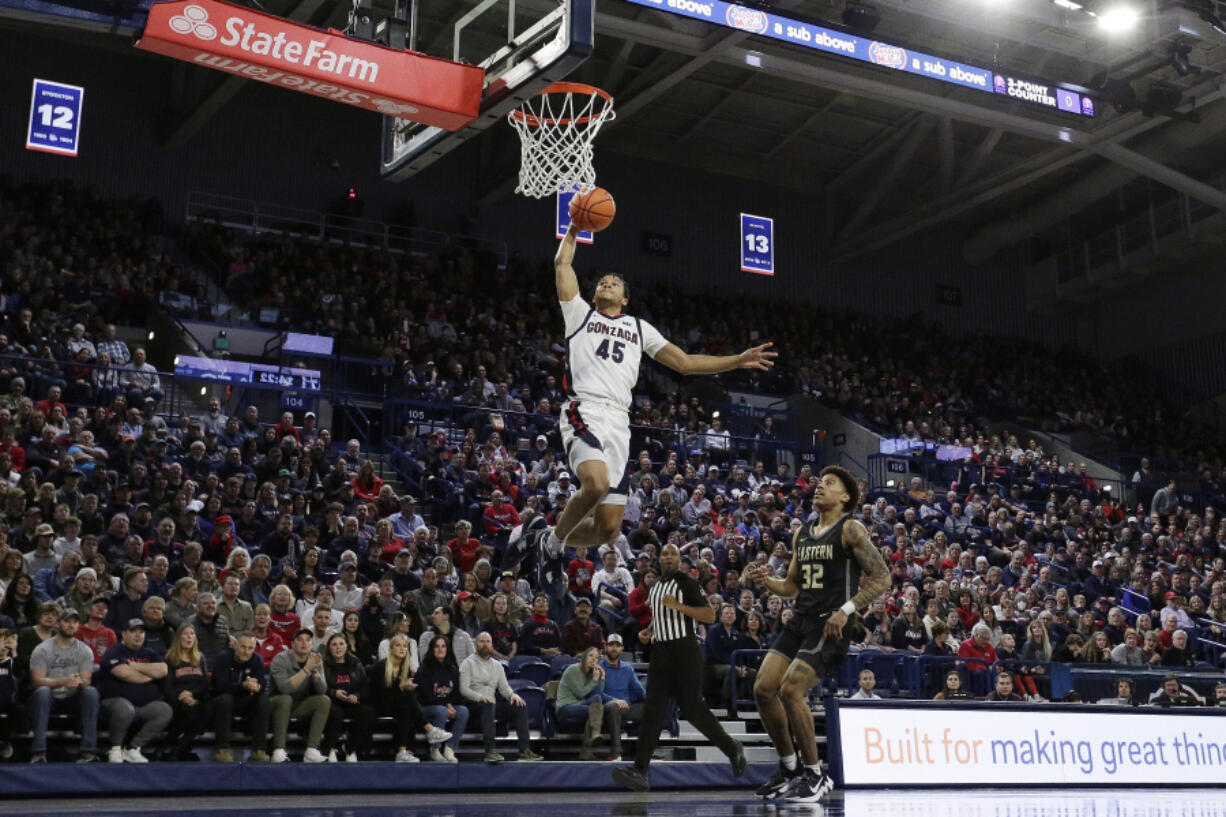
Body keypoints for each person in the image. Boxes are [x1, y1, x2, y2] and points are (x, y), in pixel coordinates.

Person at [509, 231, 776, 589]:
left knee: (608, 529)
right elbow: (562, 263)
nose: (607, 282)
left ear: (626, 298)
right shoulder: (579, 315)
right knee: (596, 484)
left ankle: (544, 536)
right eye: (603, 281)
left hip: (620, 422)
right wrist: (573, 230)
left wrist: (737, 361)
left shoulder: (638, 327)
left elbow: (684, 362)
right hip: (584, 409)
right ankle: (553, 546)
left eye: (615, 282)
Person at [746, 466, 891, 803]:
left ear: (846, 496)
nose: (819, 487)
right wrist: (767, 581)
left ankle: (816, 773)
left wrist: (847, 610)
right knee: (763, 689)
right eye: (818, 482)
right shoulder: (803, 533)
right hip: (800, 620)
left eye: (829, 483)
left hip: (830, 623)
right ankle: (790, 768)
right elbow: (792, 586)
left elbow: (883, 577)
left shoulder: (850, 528)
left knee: (791, 688)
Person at [612, 543, 746, 792]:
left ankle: (732, 747)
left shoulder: (686, 582)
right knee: (652, 711)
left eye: (673, 553)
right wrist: (649, 631)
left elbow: (709, 616)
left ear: (678, 559)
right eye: (665, 554)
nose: (669, 557)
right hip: (660, 652)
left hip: (685, 650)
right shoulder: (655, 586)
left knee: (693, 710)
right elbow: (661, 615)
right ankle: (640, 770)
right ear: (659, 559)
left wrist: (679, 607)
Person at [27, 608, 100, 763]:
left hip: (72, 697)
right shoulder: (42, 649)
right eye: (67, 621)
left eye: (74, 622)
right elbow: (37, 681)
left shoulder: (85, 650)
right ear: (59, 623)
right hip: (49, 698)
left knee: (91, 692)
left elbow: (87, 680)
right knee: (42, 692)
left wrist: (78, 682)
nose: (70, 625)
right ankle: (39, 752)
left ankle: (89, 751)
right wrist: (63, 681)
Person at [96, 618, 173, 763]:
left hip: (143, 705)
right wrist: (150, 674)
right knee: (124, 708)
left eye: (141, 632)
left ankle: (132, 748)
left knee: (164, 710)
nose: (138, 635)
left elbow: (163, 670)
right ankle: (115, 749)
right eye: (133, 632)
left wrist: (134, 665)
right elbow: (124, 674)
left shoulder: (150, 652)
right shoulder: (114, 651)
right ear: (124, 634)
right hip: (113, 704)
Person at [460, 631, 542, 763]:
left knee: (519, 705)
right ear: (476, 645)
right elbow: (463, 690)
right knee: (489, 703)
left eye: (488, 642)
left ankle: (524, 750)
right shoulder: (467, 663)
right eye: (482, 641)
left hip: (490, 704)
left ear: (492, 645)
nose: (485, 645)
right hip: (473, 704)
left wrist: (513, 695)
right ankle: (490, 750)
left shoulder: (497, 665)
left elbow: (504, 688)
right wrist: (481, 697)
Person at [370, 633, 453, 762]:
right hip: (378, 705)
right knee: (407, 698)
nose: (402, 648)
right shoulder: (381, 666)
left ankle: (402, 752)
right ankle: (430, 729)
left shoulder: (405, 667)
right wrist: (401, 687)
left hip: (396, 704)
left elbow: (400, 692)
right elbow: (380, 692)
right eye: (398, 645)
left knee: (407, 708)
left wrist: (404, 687)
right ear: (391, 649)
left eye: (405, 646)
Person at [269, 628, 336, 762]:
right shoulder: (280, 659)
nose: (303, 643)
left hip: (298, 704)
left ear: (311, 644)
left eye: (307, 640)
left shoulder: (315, 659)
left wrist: (316, 676)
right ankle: (278, 750)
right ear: (292, 644)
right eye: (299, 640)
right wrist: (306, 670)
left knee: (324, 700)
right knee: (285, 699)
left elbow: (322, 690)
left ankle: (311, 750)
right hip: (274, 704)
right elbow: (284, 688)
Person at [211, 632, 273, 762]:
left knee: (263, 700)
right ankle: (222, 750)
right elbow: (220, 686)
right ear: (235, 645)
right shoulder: (223, 658)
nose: (246, 652)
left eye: (250, 648)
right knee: (225, 700)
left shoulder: (257, 660)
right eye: (243, 647)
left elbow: (261, 682)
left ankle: (259, 750)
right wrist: (243, 686)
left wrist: (257, 687)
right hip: (223, 701)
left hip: (246, 701)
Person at [161, 622, 218, 760]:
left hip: (196, 699)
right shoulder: (170, 658)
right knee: (189, 714)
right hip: (176, 700)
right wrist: (181, 697)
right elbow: (167, 687)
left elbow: (204, 683)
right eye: (185, 634)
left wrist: (192, 695)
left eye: (192, 634)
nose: (189, 637)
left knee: (207, 710)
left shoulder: (200, 657)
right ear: (178, 638)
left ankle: (177, 749)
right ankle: (169, 748)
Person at [320, 632, 375, 761]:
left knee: (368, 714)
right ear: (329, 648)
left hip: (350, 702)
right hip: (331, 702)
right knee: (335, 713)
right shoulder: (323, 664)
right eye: (334, 644)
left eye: (341, 644)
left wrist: (357, 695)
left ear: (347, 646)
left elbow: (364, 685)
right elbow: (318, 688)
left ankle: (349, 748)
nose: (338, 647)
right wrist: (334, 692)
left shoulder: (355, 662)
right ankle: (330, 747)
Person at [415, 634, 469, 762]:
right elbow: (425, 696)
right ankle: (435, 749)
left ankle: (450, 748)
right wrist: (447, 705)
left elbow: (457, 695)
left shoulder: (453, 670)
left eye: (443, 646)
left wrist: (450, 704)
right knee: (441, 710)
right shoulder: (424, 669)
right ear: (432, 649)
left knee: (463, 711)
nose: (440, 649)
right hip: (426, 708)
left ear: (448, 649)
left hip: (445, 705)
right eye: (437, 646)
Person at [556, 645, 611, 760]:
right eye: (591, 655)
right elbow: (581, 693)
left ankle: (588, 749)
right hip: (565, 708)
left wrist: (602, 678)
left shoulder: (590, 673)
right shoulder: (573, 669)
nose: (593, 659)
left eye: (596, 658)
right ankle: (592, 740)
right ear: (584, 656)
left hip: (578, 705)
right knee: (594, 711)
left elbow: (598, 693)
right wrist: (594, 681)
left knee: (596, 699)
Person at [597, 633, 645, 761]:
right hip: (607, 707)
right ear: (606, 647)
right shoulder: (598, 667)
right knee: (613, 707)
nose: (614, 648)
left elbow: (638, 690)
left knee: (651, 707)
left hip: (626, 708)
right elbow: (596, 693)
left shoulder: (627, 668)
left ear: (622, 649)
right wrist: (616, 701)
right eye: (611, 645)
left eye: (617, 645)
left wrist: (653, 700)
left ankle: (645, 753)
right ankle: (616, 753)